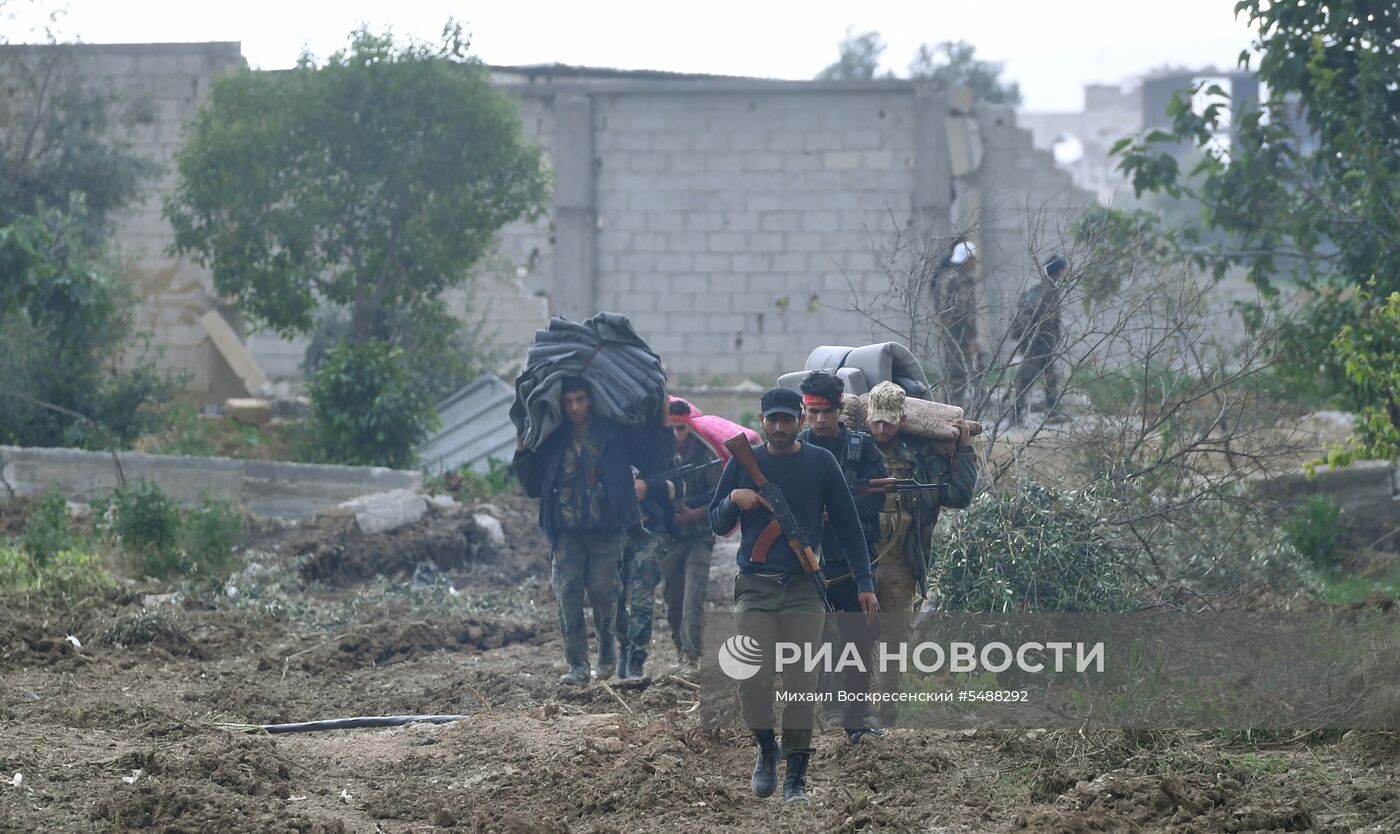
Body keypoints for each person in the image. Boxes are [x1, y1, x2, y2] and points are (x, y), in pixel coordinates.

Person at [709, 387, 879, 806]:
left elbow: (848, 524)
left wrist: (864, 583)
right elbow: (716, 520)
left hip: (804, 590)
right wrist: (735, 499)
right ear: (761, 420)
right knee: (752, 678)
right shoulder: (743, 461)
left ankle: (796, 779)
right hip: (755, 585)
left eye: (788, 419)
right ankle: (766, 750)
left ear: (801, 420)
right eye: (773, 420)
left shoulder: (821, 463)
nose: (780, 428)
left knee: (802, 685)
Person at [512, 377, 669, 686]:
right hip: (566, 534)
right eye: (569, 401)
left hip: (606, 532)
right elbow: (532, 486)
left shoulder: (612, 435)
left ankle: (607, 647)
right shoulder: (554, 439)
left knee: (604, 593)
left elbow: (654, 456)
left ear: (591, 400)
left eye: (580, 399)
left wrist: (663, 414)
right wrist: (522, 444)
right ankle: (578, 665)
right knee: (567, 593)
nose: (575, 408)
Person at [864, 381, 977, 727]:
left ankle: (884, 708)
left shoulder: (922, 458)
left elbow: (958, 496)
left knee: (894, 637)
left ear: (902, 419)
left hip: (902, 560)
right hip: (859, 559)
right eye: (876, 422)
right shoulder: (854, 450)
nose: (882, 430)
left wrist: (964, 451)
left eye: (889, 422)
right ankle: (852, 706)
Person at [795, 370, 887, 743]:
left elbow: (877, 496)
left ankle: (854, 717)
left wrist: (843, 508)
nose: (820, 420)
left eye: (826, 412)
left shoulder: (860, 448)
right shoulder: (797, 446)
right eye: (813, 412)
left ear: (838, 411)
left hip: (853, 560)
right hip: (808, 561)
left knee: (857, 638)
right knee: (813, 639)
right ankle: (824, 708)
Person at [657, 399, 721, 679]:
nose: (675, 434)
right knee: (672, 597)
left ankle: (692, 656)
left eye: (680, 428)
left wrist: (694, 513)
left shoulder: (705, 455)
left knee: (693, 596)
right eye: (671, 428)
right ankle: (680, 651)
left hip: (699, 536)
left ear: (688, 426)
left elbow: (721, 498)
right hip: (671, 538)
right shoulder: (657, 455)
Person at [1009, 253, 1066, 425]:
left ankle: (1052, 412)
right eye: (1063, 271)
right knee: (1025, 378)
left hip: (1045, 343)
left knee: (1051, 378)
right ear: (1059, 271)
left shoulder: (1049, 288)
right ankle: (1014, 416)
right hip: (1036, 343)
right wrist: (1031, 336)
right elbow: (1027, 313)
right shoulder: (1041, 289)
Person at [929, 239, 981, 408]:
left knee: (953, 371)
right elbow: (963, 312)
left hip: (951, 331)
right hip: (957, 332)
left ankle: (949, 405)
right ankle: (953, 407)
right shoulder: (960, 280)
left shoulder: (948, 276)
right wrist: (972, 336)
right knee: (957, 372)